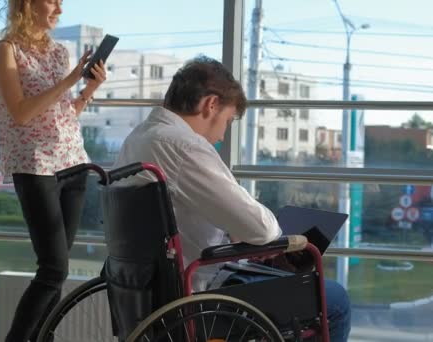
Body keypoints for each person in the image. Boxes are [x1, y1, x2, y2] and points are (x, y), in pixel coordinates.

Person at [113, 56, 351, 341]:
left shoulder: (138, 138)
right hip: (195, 298)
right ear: (210, 104)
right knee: (334, 301)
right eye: (228, 120)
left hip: (142, 293)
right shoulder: (183, 146)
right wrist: (268, 237)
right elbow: (261, 229)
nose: (224, 134)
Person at [0, 1, 107, 341]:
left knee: (57, 270)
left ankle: (43, 337)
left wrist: (88, 89)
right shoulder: (6, 50)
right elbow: (22, 113)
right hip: (34, 164)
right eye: (52, 0)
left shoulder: (59, 52)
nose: (58, 8)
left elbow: (61, 113)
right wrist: (70, 79)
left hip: (72, 162)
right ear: (27, 4)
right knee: (54, 269)